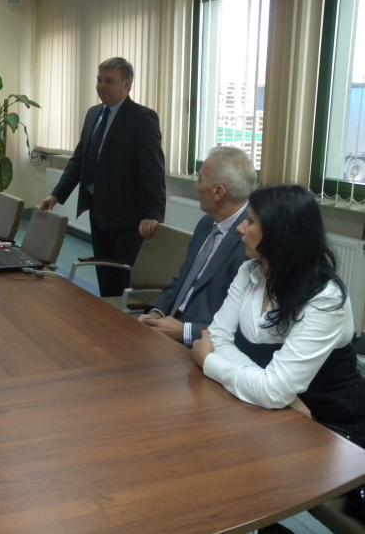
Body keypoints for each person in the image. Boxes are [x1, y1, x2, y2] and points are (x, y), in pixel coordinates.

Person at [191, 185, 365, 442]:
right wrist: (283, 397)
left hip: (330, 425)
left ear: (279, 233)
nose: (240, 228)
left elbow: (269, 388)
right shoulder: (250, 271)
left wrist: (209, 362)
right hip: (272, 409)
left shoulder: (326, 299)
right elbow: (217, 338)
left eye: (250, 221)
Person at [40, 57, 165, 296]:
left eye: (109, 81)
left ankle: (123, 319)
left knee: (124, 279)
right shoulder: (94, 114)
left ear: (127, 85)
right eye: (99, 80)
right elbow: (79, 160)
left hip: (127, 217)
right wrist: (57, 194)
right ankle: (106, 312)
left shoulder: (142, 118)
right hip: (97, 210)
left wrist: (153, 212)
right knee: (104, 274)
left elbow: (153, 168)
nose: (101, 86)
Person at [138, 146, 256, 347]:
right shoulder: (205, 224)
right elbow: (183, 280)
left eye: (200, 179)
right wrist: (157, 311)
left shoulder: (250, 242)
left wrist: (184, 331)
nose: (196, 186)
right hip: (168, 328)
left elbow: (241, 326)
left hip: (202, 345)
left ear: (218, 192)